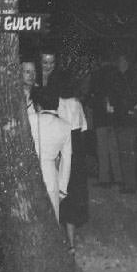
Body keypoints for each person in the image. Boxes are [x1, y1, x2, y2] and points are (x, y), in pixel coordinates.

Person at [43, 50, 88, 252]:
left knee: (57, 193)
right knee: (72, 196)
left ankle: (55, 239)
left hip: (60, 150)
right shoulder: (77, 103)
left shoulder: (56, 103)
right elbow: (83, 130)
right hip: (76, 152)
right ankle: (71, 242)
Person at [27, 73, 73, 221]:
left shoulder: (29, 120)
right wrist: (62, 190)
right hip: (52, 179)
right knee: (52, 222)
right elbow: (67, 160)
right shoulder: (65, 126)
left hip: (29, 175)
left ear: (38, 105)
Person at [89, 51, 131, 188]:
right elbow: (123, 94)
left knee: (102, 148)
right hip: (115, 117)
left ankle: (104, 179)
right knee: (114, 148)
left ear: (100, 60)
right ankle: (118, 177)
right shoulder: (118, 74)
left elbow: (91, 95)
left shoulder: (96, 75)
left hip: (100, 116)